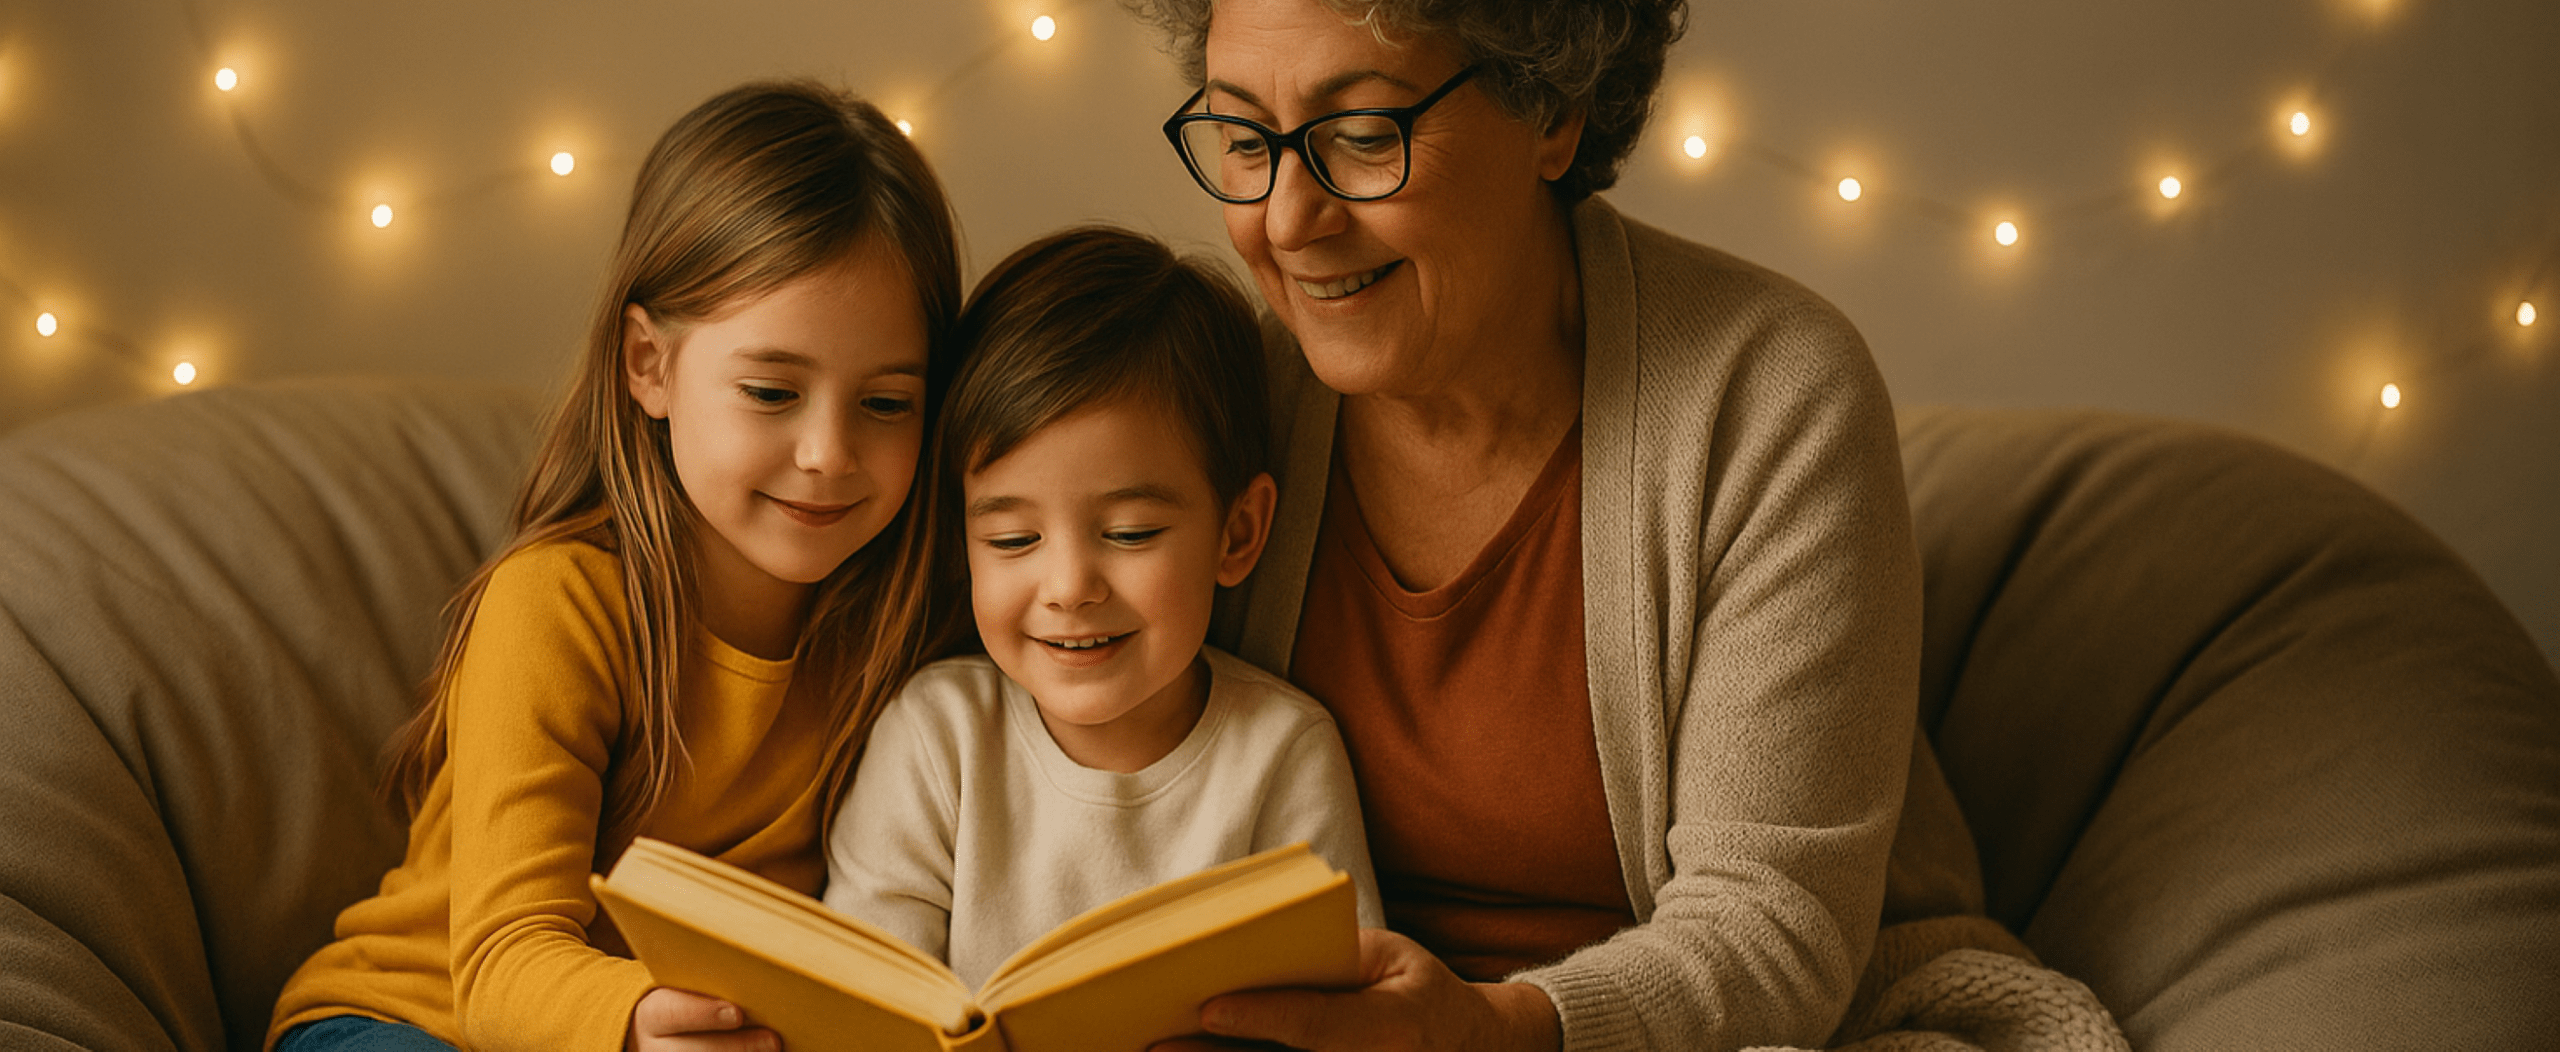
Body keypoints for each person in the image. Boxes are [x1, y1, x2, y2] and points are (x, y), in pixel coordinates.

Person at [1125, 0, 2007, 1049]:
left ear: (1551, 110)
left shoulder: (1767, 395)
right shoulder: (1224, 409)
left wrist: (1486, 1028)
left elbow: (1774, 929)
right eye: (1241, 139)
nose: (1283, 218)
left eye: (1362, 137)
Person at [264, 80, 963, 1052]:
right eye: (771, 390)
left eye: (886, 403)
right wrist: (634, 1020)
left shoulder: (905, 626)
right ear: (649, 364)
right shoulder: (559, 603)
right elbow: (505, 961)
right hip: (417, 1020)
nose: (828, 453)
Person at [823, 226, 1384, 991]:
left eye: (1129, 533)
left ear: (1237, 532)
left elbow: (1345, 1009)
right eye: (1014, 538)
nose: (1069, 586)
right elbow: (863, 995)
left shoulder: (1283, 754)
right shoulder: (938, 737)